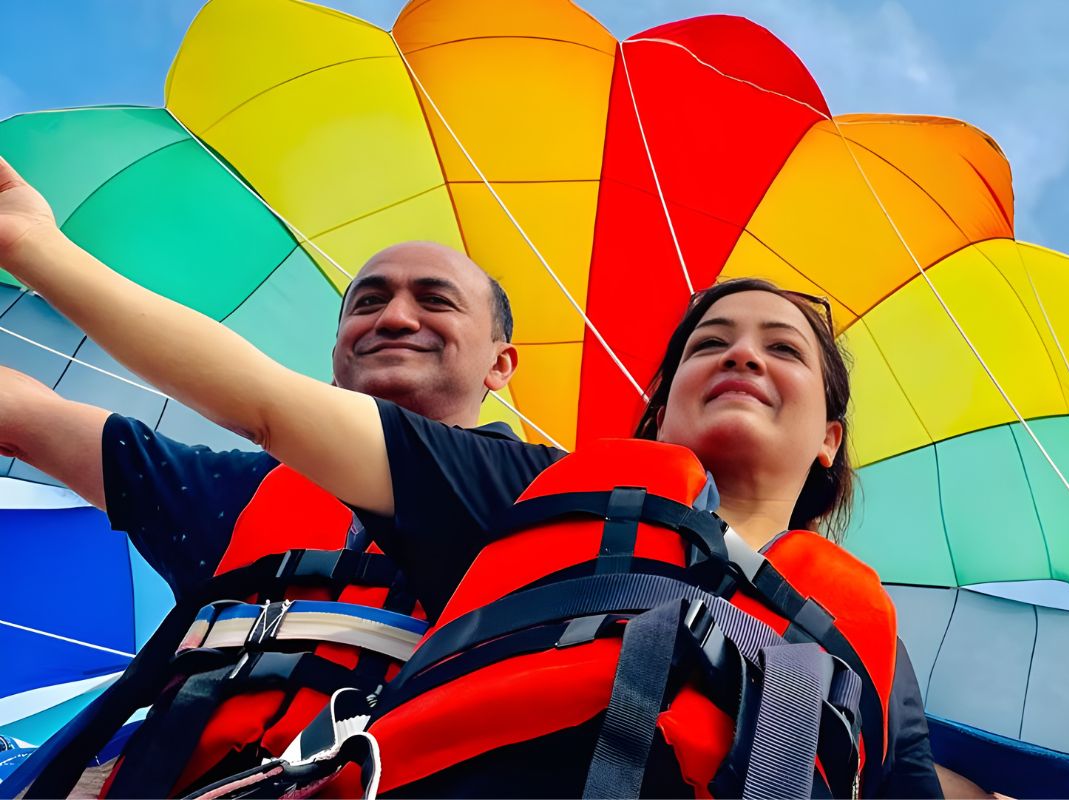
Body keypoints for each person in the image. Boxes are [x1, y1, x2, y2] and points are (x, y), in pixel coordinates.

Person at [0, 156, 942, 797]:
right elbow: (260, 404)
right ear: (653, 414)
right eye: (709, 344)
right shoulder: (538, 499)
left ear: (832, 437)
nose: (742, 359)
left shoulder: (865, 642)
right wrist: (36, 249)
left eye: (782, 349)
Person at [0, 235, 558, 797]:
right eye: (367, 303)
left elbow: (256, 399)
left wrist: (32, 243)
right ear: (336, 360)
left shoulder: (554, 498)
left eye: (435, 301)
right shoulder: (241, 490)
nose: (394, 318)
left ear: (500, 364)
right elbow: (27, 416)